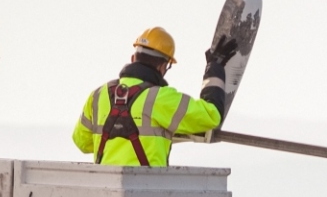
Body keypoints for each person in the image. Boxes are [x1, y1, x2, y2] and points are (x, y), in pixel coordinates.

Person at [72, 27, 232, 166]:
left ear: (133, 58)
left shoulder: (98, 95)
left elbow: (82, 142)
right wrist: (214, 67)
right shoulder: (161, 98)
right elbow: (211, 116)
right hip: (147, 193)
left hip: (106, 193)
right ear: (163, 66)